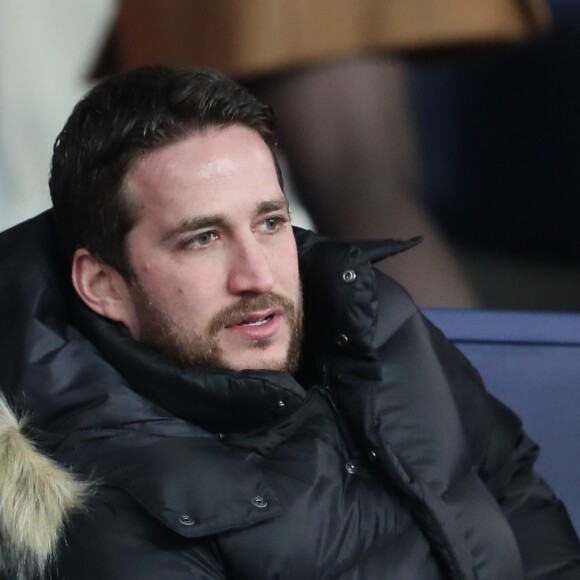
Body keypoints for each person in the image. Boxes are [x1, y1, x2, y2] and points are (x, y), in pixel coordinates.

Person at [0, 66, 578, 580]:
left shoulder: (373, 317)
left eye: (270, 223)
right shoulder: (95, 503)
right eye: (203, 239)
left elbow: (509, 480)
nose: (257, 275)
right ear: (103, 286)